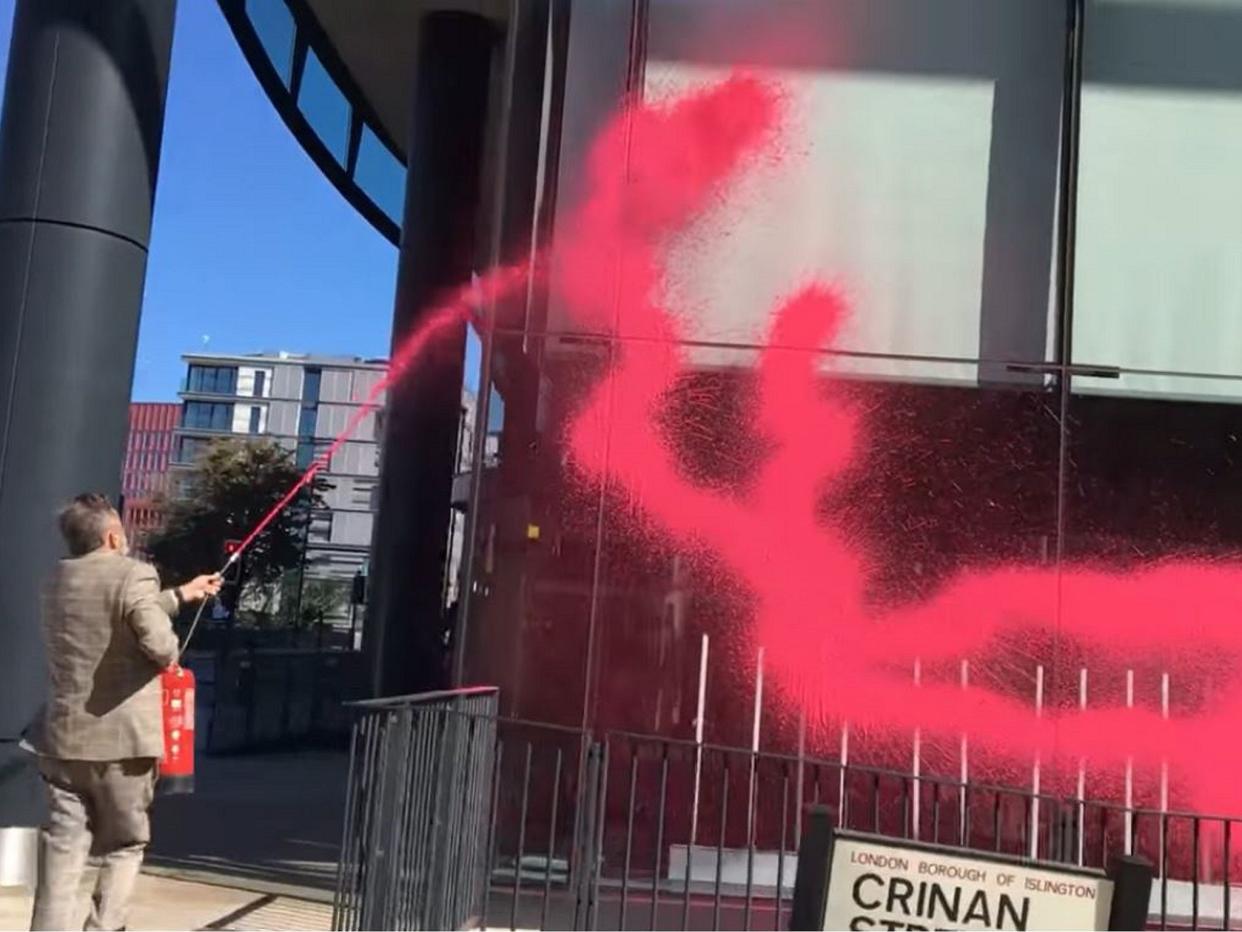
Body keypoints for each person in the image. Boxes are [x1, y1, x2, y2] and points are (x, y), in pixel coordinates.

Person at [25, 493, 221, 932]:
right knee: (124, 845)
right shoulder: (134, 574)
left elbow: (105, 614)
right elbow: (160, 645)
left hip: (62, 741)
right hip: (123, 744)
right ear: (113, 536)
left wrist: (180, 595)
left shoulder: (56, 578)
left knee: (62, 850)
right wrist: (168, 648)